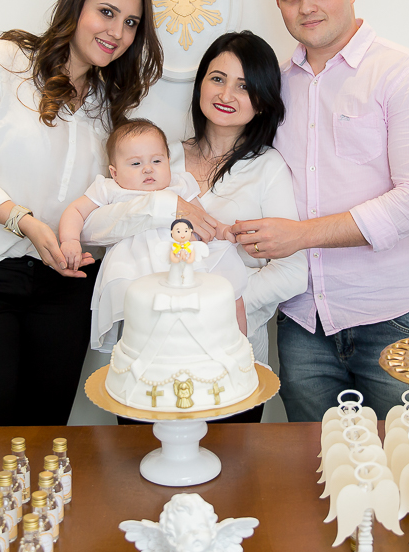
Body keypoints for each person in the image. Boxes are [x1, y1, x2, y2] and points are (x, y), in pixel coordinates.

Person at [0, 0, 163, 426]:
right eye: (107, 12)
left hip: (64, 289)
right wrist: (25, 222)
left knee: (43, 440)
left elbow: (103, 201)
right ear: (76, 6)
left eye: (131, 22)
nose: (117, 32)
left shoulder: (106, 106)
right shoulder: (2, 63)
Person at [231, 0, 409, 421]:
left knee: (406, 468)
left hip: (391, 321)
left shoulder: (403, 74)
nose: (306, 6)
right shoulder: (275, 86)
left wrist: (300, 236)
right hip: (300, 321)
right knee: (317, 473)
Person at [81, 30, 308, 422]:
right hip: (148, 357)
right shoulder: (158, 155)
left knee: (231, 473)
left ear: (262, 100)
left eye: (244, 86)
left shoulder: (268, 168)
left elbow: (291, 273)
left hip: (229, 359)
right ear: (200, 82)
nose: (226, 95)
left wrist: (208, 306)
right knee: (143, 470)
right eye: (217, 79)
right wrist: (167, 205)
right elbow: (92, 228)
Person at [58, 118, 248, 350]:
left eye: (157, 160)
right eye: (136, 164)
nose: (148, 169)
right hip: (138, 268)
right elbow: (76, 210)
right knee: (148, 327)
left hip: (184, 261)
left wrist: (225, 230)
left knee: (229, 296)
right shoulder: (110, 189)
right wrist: (70, 240)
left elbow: (203, 220)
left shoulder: (180, 185)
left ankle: (238, 351)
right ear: (114, 172)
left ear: (169, 162)